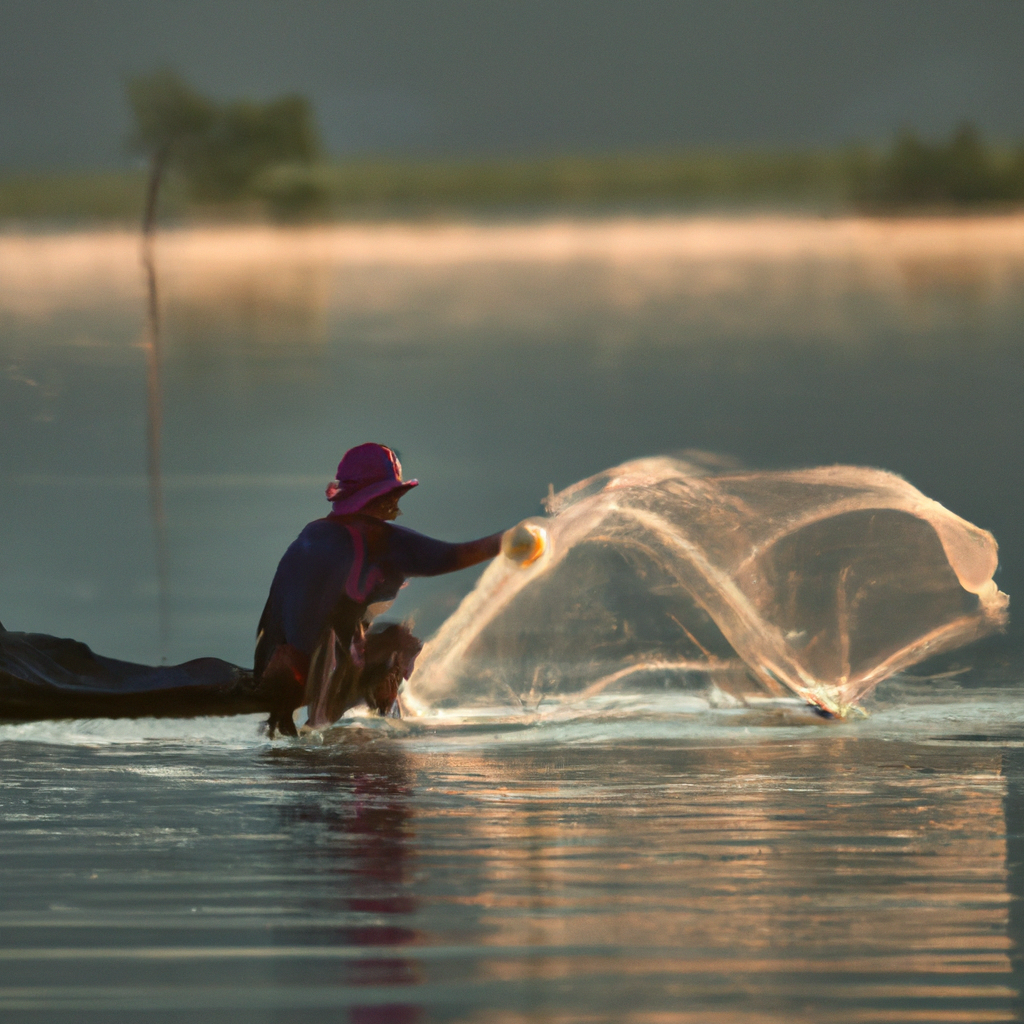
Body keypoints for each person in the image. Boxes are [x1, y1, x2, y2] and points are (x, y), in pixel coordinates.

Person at [255, 443, 534, 736]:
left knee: (387, 643)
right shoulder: (375, 540)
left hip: (280, 674)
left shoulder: (311, 537)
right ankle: (355, 719)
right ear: (378, 497)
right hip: (316, 670)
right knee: (397, 641)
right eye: (390, 496)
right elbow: (450, 556)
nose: (396, 507)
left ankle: (333, 720)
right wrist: (511, 540)